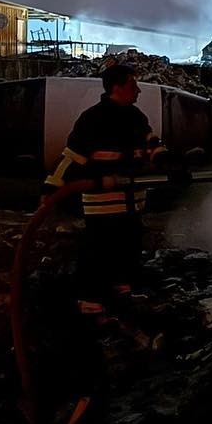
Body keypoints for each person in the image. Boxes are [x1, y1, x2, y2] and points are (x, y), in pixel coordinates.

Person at [44, 64, 169, 312]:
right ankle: (91, 303)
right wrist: (50, 189)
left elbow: (151, 142)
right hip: (102, 204)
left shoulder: (136, 117)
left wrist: (167, 161)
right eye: (133, 85)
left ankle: (122, 297)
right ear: (117, 87)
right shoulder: (92, 119)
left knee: (129, 251)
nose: (139, 91)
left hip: (133, 202)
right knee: (99, 252)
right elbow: (71, 158)